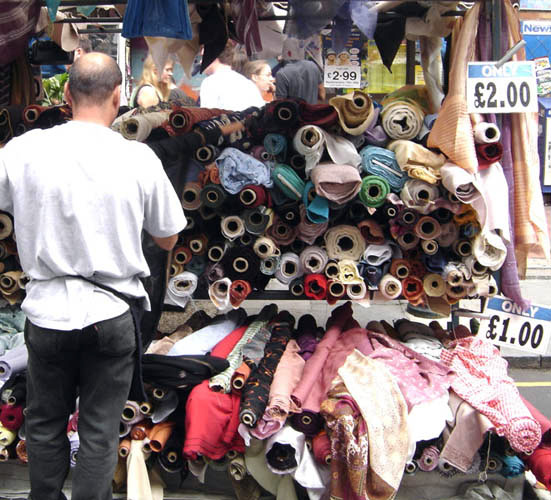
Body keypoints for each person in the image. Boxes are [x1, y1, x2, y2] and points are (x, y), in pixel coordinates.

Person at [0, 52, 187, 500]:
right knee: (100, 430)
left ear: (66, 93)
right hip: (111, 312)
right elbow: (168, 238)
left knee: (44, 423)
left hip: (47, 312)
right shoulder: (138, 157)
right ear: (119, 97)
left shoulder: (24, 150)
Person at [199, 42, 265, 111]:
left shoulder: (210, 83)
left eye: (203, 56)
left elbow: (207, 115)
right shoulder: (248, 83)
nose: (200, 62)